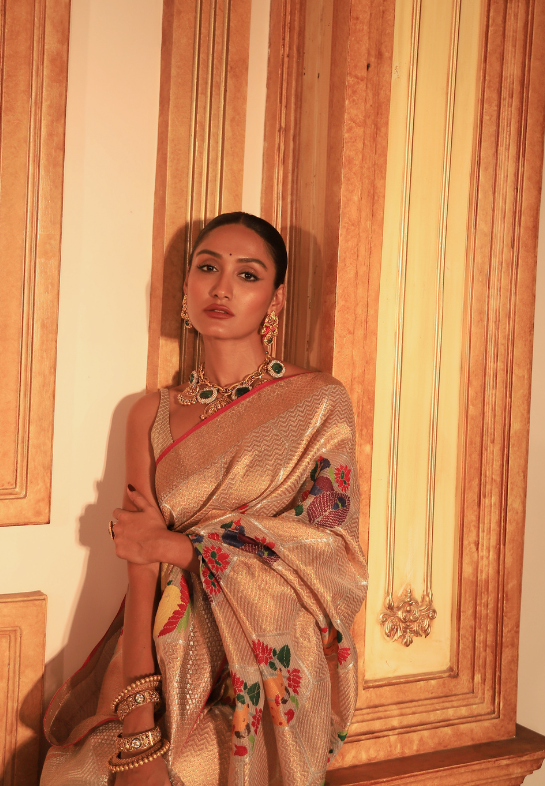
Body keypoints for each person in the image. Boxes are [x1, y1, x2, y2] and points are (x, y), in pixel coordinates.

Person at [41, 213, 368, 786]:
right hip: (168, 657)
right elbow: (139, 569)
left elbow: (333, 557)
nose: (222, 288)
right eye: (208, 268)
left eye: (248, 275)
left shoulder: (318, 403)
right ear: (187, 285)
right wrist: (139, 725)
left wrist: (182, 548)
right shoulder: (152, 413)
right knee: (92, 771)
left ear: (276, 299)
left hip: (265, 671)